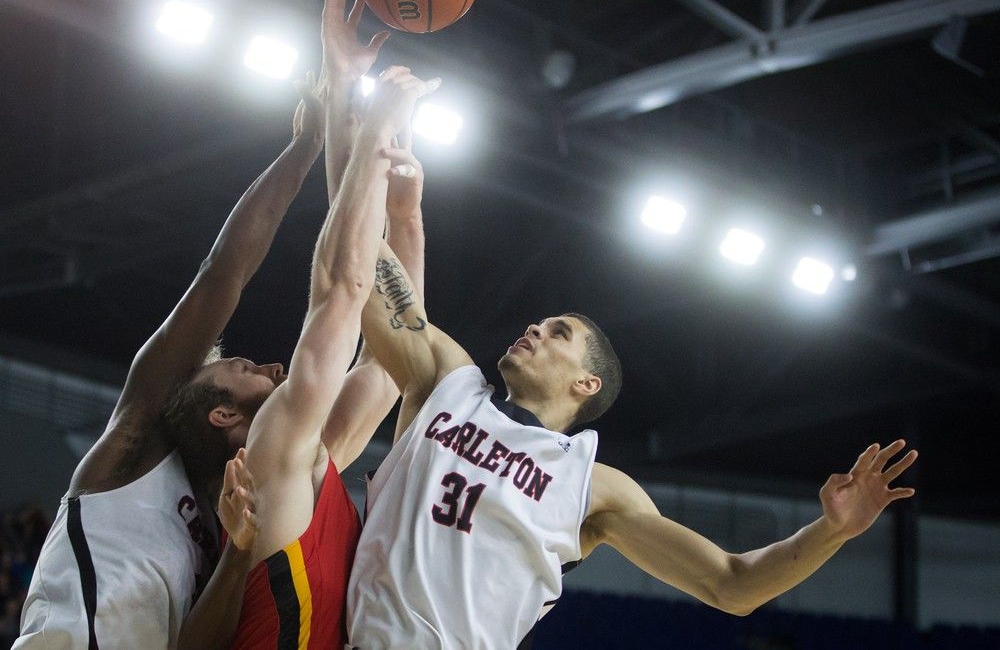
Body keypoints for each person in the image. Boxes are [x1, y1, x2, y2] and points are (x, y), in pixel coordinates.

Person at [346, 248, 920, 649]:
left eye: (559, 332)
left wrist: (832, 531)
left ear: (586, 385)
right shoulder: (450, 383)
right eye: (542, 322)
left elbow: (731, 583)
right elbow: (361, 262)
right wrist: (355, 128)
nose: (537, 329)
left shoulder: (593, 485)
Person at [14, 0, 349, 648]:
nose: (270, 365)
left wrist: (235, 556)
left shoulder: (227, 522)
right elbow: (221, 275)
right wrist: (306, 149)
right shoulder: (133, 452)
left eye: (244, 367)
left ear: (224, 413)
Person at [177, 0, 436, 650]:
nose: (266, 362)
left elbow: (390, 354)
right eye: (239, 369)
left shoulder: (304, 461)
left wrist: (402, 211)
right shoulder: (270, 461)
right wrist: (372, 127)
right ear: (224, 416)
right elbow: (339, 292)